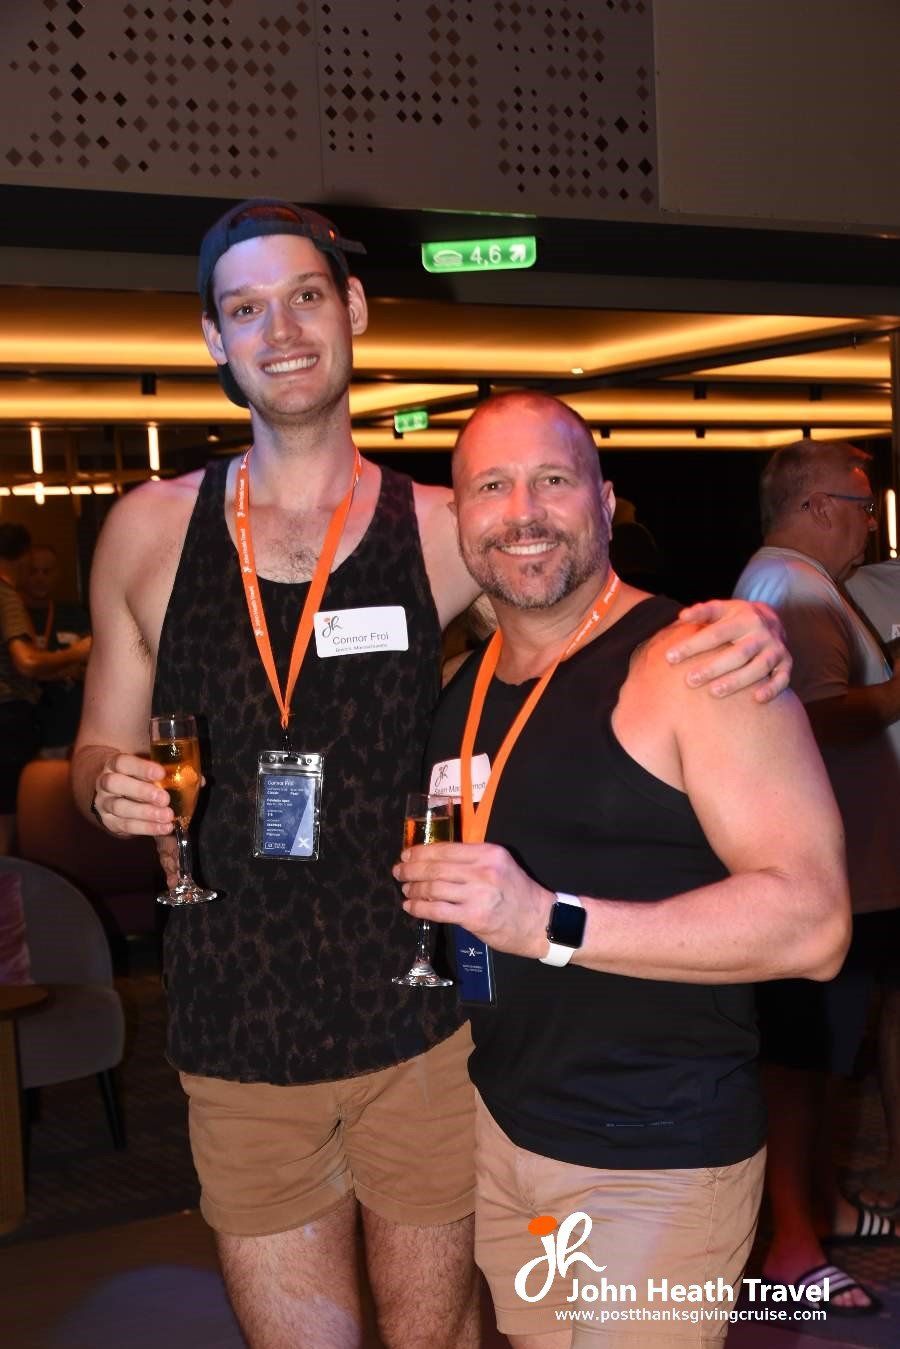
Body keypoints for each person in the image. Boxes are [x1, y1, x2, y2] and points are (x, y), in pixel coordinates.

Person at [71, 199, 792, 1349]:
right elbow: (92, 752)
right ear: (214, 340)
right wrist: (108, 784)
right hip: (231, 1027)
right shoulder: (149, 531)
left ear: (351, 311)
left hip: (421, 1021)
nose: (284, 329)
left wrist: (739, 625)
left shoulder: (444, 525)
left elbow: (582, 587)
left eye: (307, 296)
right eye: (247, 308)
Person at [395, 392, 850, 1347]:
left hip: (654, 1153)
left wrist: (548, 923)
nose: (522, 511)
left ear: (607, 504)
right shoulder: (465, 684)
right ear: (458, 520)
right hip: (505, 1136)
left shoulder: (694, 662)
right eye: (492, 486)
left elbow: (814, 926)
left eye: (553, 480)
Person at [734, 438, 900, 1314]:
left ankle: (820, 1207)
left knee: (822, 1059)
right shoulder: (789, 586)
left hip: (848, 872)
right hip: (816, 875)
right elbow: (816, 717)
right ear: (820, 505)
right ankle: (792, 1242)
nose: (870, 526)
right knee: (797, 1063)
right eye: (863, 506)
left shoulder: (796, 582)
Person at [0, 523, 91, 852]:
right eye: (32, 567)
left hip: (55, 728)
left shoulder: (71, 613)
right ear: (22, 558)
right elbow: (26, 663)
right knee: (12, 819)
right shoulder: (7, 595)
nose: (36, 576)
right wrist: (76, 653)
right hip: (10, 720)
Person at [19, 543, 91, 758]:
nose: (40, 578)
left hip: (68, 732)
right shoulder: (12, 617)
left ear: (57, 574)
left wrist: (46, 668)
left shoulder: (75, 615)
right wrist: (67, 665)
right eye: (33, 571)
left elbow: (92, 667)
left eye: (47, 571)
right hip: (22, 731)